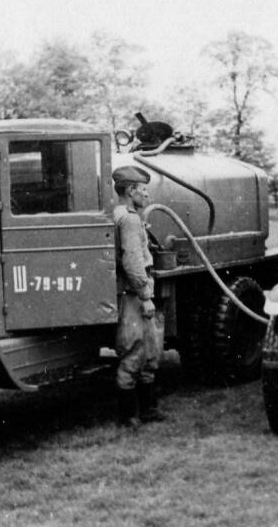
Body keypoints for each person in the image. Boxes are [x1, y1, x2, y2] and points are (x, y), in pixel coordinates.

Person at [111, 165, 165, 428]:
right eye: (144, 190)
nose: (148, 196)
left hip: (130, 292)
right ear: (131, 190)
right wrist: (145, 295)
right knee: (135, 353)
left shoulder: (121, 215)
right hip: (132, 295)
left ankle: (147, 411)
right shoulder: (130, 219)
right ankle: (130, 416)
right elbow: (132, 261)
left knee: (148, 352)